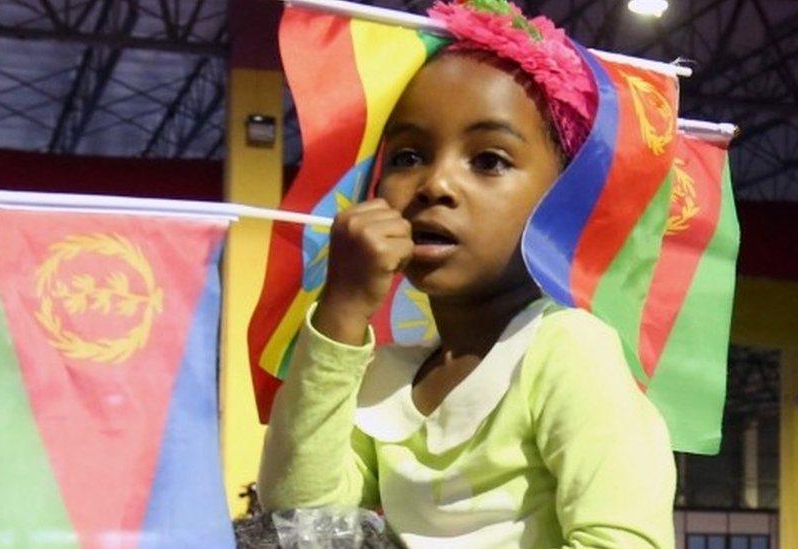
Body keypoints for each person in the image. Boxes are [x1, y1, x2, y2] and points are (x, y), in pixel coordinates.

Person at [257, 1, 676, 547]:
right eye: (408, 157)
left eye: (489, 160)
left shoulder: (564, 353)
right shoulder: (387, 376)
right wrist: (341, 311)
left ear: (562, 197)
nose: (436, 185)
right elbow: (302, 521)